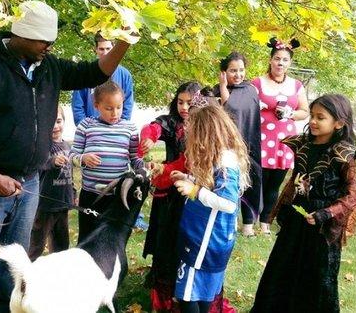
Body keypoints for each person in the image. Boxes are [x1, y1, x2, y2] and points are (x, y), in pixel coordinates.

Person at [0, 0, 134, 313]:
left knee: (18, 269)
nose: (49, 46)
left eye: (52, 41)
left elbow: (94, 72)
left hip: (29, 183)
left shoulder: (49, 67)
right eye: (42, 40)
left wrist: (125, 42)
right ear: (20, 33)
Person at [251, 94, 356, 313]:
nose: (312, 121)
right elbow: (295, 181)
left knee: (317, 274)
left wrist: (325, 213)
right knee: (283, 266)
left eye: (320, 117)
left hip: (323, 227)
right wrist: (286, 207)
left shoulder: (343, 154)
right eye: (312, 115)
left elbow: (353, 196)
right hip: (298, 218)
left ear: (339, 123)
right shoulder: (303, 145)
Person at [167, 103, 250, 313]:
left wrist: (194, 191)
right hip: (206, 239)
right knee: (203, 294)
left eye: (193, 133)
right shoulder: (218, 156)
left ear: (205, 133)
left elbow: (228, 203)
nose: (189, 138)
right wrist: (188, 178)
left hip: (204, 242)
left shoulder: (225, 161)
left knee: (187, 297)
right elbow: (212, 185)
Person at [138, 81, 199, 312]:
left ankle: (185, 289)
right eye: (180, 102)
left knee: (185, 241)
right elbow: (152, 127)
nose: (184, 107)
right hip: (169, 191)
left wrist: (167, 169)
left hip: (193, 189)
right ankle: (161, 288)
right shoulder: (170, 122)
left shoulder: (202, 125)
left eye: (189, 103)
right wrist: (149, 138)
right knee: (165, 239)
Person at [69, 81, 144, 243]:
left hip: (117, 197)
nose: (115, 113)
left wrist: (144, 168)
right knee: (87, 239)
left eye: (119, 107)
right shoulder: (86, 126)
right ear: (96, 105)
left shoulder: (130, 128)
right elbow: (72, 155)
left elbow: (135, 158)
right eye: (109, 108)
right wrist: (83, 159)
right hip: (91, 196)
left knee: (112, 241)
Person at [252, 37, 308, 234]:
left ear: (289, 63)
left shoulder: (296, 85)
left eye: (284, 60)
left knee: (274, 185)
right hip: (261, 140)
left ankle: (266, 222)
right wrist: (256, 106)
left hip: (284, 142)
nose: (280, 63)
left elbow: (305, 111)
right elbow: (245, 106)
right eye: (277, 59)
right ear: (270, 60)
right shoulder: (257, 83)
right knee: (258, 183)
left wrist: (290, 114)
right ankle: (250, 221)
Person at [214, 52, 262, 237]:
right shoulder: (215, 91)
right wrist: (223, 86)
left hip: (248, 142)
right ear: (224, 72)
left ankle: (248, 224)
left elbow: (236, 109)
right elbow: (226, 109)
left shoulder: (250, 90)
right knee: (228, 180)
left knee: (250, 180)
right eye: (233, 70)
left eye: (241, 70)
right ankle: (229, 219)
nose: (238, 74)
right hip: (225, 146)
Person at [27, 106, 75, 261]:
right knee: (36, 245)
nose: (55, 126)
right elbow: (40, 164)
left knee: (61, 246)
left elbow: (70, 174)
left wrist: (73, 193)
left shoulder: (68, 146)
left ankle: (56, 275)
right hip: (45, 205)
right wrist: (53, 161)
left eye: (59, 121)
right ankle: (25, 275)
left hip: (63, 204)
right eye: (50, 122)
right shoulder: (41, 146)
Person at [71, 32, 134, 126]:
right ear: (95, 49)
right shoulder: (86, 73)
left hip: (116, 131)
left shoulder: (125, 75)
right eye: (101, 49)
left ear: (114, 48)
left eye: (108, 49)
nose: (105, 53)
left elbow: (128, 105)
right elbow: (77, 106)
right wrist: (85, 129)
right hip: (91, 131)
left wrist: (121, 128)